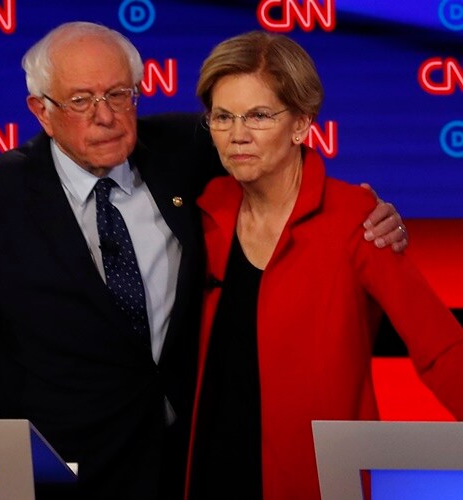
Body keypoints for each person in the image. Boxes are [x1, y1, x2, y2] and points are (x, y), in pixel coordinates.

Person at [0, 22, 407, 500]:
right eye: (80, 101)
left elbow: (275, 158)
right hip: (65, 476)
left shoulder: (186, 149)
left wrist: (365, 210)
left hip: (193, 466)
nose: (104, 117)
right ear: (41, 111)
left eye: (118, 94)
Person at [183, 30, 463, 500]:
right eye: (222, 117)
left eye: (258, 116)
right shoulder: (203, 210)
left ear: (301, 124)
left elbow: (441, 346)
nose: (236, 136)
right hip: (210, 470)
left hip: (315, 478)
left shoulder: (357, 219)